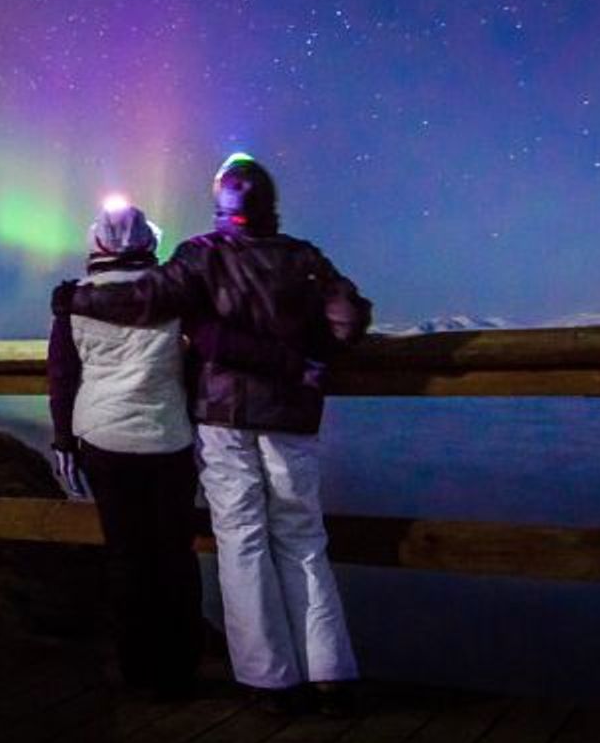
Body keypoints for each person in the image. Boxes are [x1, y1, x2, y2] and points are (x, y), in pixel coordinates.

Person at [52, 154, 371, 714]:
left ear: (221, 202)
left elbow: (145, 299)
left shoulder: (201, 255)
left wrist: (75, 300)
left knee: (242, 539)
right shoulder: (305, 257)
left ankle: (268, 679)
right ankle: (330, 673)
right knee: (303, 538)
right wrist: (309, 358)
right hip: (290, 417)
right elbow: (347, 320)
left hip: (221, 415)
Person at [48, 195, 200, 700]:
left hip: (104, 439)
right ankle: (181, 668)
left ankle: (138, 669)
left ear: (94, 243)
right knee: (174, 555)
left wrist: (64, 440)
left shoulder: (73, 300)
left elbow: (64, 376)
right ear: (149, 242)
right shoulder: (176, 296)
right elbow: (196, 367)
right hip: (169, 438)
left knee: (127, 557)